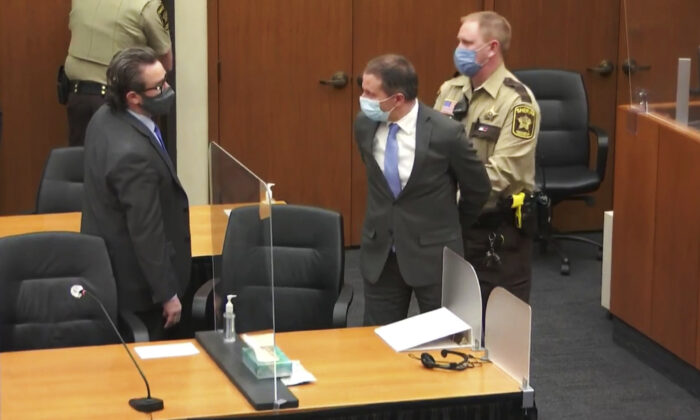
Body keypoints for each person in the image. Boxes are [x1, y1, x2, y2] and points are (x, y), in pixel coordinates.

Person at [355, 54, 491, 326]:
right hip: (381, 254)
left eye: (370, 93)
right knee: (376, 345)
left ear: (397, 99)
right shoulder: (364, 125)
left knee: (441, 342)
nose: (363, 98)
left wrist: (450, 227)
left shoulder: (445, 133)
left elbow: (478, 188)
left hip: (433, 255)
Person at [81, 47, 190, 340]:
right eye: (159, 87)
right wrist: (167, 294)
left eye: (165, 80)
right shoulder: (132, 154)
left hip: (110, 269)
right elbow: (146, 232)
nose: (167, 89)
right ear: (133, 96)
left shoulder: (105, 117)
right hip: (141, 292)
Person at [434, 11, 540, 307]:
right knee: (454, 320)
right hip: (454, 226)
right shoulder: (450, 90)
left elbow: (503, 173)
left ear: (492, 48)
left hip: (497, 233)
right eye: (459, 41)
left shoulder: (518, 103)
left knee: (499, 328)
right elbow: (430, 151)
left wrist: (446, 200)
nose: (458, 49)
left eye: (467, 42)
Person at [64, 0, 173, 146]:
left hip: (78, 98)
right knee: (128, 162)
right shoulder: (146, 5)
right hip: (119, 103)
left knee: (83, 163)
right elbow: (165, 60)